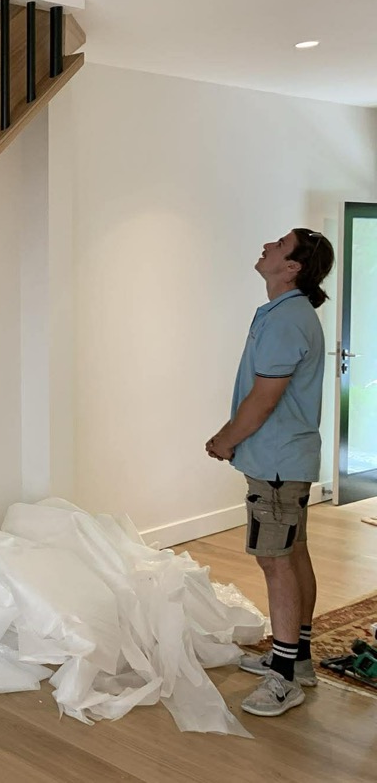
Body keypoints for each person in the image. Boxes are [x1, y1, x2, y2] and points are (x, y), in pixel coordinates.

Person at [206, 227, 335, 718]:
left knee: (275, 560)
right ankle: (296, 659)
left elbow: (264, 399)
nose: (267, 245)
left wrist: (225, 439)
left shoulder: (287, 320)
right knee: (292, 551)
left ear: (293, 266)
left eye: (279, 245)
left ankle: (284, 677)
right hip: (286, 460)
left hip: (277, 462)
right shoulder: (287, 313)